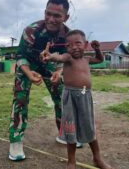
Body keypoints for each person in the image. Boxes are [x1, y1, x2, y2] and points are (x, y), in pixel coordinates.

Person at [9, 0, 73, 161]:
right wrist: (29, 74)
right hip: (27, 65)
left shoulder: (68, 35)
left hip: (50, 65)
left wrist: (59, 73)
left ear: (66, 17)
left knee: (62, 96)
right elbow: (20, 56)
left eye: (57, 16)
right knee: (20, 100)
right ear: (44, 12)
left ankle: (64, 133)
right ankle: (16, 141)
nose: (51, 19)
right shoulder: (31, 30)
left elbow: (66, 58)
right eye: (48, 13)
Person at [41, 30, 112, 169]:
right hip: (70, 96)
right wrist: (50, 56)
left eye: (78, 43)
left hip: (85, 94)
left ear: (85, 45)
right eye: (70, 45)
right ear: (67, 47)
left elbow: (100, 59)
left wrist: (97, 49)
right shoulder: (68, 58)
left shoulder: (87, 59)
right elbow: (59, 57)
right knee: (70, 128)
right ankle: (71, 162)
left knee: (89, 127)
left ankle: (97, 158)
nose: (74, 47)